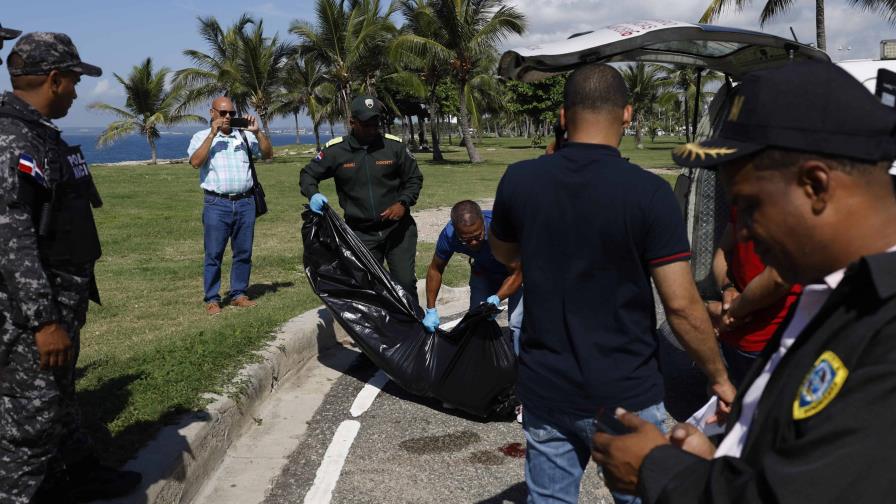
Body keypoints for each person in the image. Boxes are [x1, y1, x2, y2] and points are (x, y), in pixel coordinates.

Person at [591, 61, 896, 504]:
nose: (744, 234)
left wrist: (662, 473)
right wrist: (724, 457)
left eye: (750, 207)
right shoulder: (834, 286)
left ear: (815, 185)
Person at [488, 63, 734, 504]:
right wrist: (718, 376)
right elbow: (680, 305)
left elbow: (504, 254)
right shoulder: (648, 194)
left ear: (564, 116)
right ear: (628, 115)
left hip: (547, 388)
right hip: (626, 390)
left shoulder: (519, 181)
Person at [0, 32, 141, 503]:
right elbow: (12, 238)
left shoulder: (38, 134)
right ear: (54, 79)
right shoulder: (12, 140)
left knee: (59, 399)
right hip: (33, 316)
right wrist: (43, 321)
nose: (78, 92)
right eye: (74, 81)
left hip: (62, 300)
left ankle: (77, 474)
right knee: (29, 420)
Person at [301, 95, 423, 303]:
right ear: (352, 122)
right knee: (368, 287)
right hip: (360, 233)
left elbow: (414, 178)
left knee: (404, 283)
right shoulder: (336, 151)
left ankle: (412, 331)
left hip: (398, 231)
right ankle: (382, 333)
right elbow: (308, 174)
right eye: (366, 124)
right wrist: (314, 194)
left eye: (376, 123)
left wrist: (403, 202)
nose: (372, 129)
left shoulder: (394, 147)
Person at [188, 96, 273, 315]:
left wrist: (257, 132)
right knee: (214, 253)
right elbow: (195, 162)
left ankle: (238, 294)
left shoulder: (243, 136)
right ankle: (212, 299)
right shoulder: (200, 136)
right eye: (223, 113)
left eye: (231, 114)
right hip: (217, 203)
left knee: (243, 252)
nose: (227, 117)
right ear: (212, 113)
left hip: (245, 202)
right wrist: (212, 135)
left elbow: (268, 154)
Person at [707, 217, 801, 386]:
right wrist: (727, 287)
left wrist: (731, 312)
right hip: (734, 335)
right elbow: (723, 250)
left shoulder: (792, 202)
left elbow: (778, 277)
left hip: (771, 340)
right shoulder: (745, 196)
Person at [422, 200, 523, 340]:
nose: (474, 243)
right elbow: (435, 269)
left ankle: (520, 359)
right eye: (466, 240)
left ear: (482, 222)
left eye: (478, 236)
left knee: (517, 324)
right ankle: (482, 359)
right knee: (477, 321)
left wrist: (497, 298)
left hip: (515, 272)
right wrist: (431, 309)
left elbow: (517, 273)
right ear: (456, 232)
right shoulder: (449, 235)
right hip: (484, 270)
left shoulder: (501, 229)